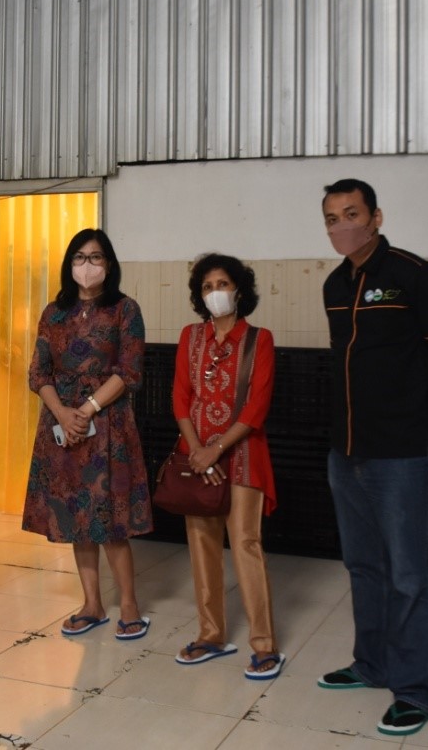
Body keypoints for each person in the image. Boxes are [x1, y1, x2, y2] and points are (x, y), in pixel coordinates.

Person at [316, 178, 428, 738]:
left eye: (352, 214)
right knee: (364, 566)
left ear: (376, 217)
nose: (342, 226)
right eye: (332, 218)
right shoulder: (335, 284)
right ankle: (372, 663)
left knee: (410, 574)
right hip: (347, 452)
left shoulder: (417, 276)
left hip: (405, 453)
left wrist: (414, 404)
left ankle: (413, 689)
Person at [22, 228, 153, 640]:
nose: (87, 265)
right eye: (79, 257)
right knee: (78, 518)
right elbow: (38, 373)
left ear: (108, 264)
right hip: (63, 427)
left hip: (108, 426)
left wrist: (87, 408)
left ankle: (129, 605)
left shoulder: (125, 310)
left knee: (109, 519)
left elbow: (129, 371)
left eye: (95, 257)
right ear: (69, 265)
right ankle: (92, 604)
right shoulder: (54, 312)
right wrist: (63, 413)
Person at [171, 253, 283, 679]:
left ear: (239, 289)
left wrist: (215, 450)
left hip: (243, 456)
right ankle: (210, 635)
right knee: (201, 543)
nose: (215, 293)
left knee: (245, 543)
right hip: (197, 455)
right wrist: (197, 451)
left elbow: (257, 407)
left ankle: (264, 644)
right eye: (207, 287)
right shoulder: (190, 337)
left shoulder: (259, 340)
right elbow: (180, 398)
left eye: (222, 284)